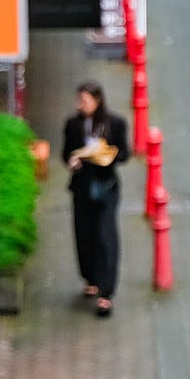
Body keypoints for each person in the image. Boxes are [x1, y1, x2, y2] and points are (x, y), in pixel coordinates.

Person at [60, 83, 128, 317]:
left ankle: (106, 292)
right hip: (82, 186)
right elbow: (66, 153)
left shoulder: (115, 123)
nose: (80, 105)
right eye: (79, 100)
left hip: (106, 185)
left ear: (97, 101)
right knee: (84, 234)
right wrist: (73, 160)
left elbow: (124, 153)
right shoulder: (73, 124)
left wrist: (107, 155)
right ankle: (91, 278)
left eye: (85, 101)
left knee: (105, 234)